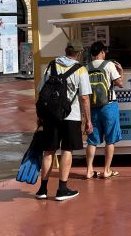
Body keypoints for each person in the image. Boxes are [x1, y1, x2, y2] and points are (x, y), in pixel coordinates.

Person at [35, 38, 92, 201]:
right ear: (79, 53)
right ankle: (62, 189)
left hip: (50, 115)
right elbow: (85, 98)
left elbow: (41, 90)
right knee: (67, 150)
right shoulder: (81, 70)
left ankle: (42, 189)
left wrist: (40, 116)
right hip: (71, 116)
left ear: (66, 50)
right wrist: (88, 120)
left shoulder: (52, 65)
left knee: (49, 151)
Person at [85, 41, 124, 179]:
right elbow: (119, 83)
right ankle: (106, 170)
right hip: (109, 106)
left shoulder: (86, 67)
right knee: (110, 139)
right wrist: (121, 71)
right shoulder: (109, 65)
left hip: (92, 107)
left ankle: (89, 170)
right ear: (101, 52)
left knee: (92, 140)